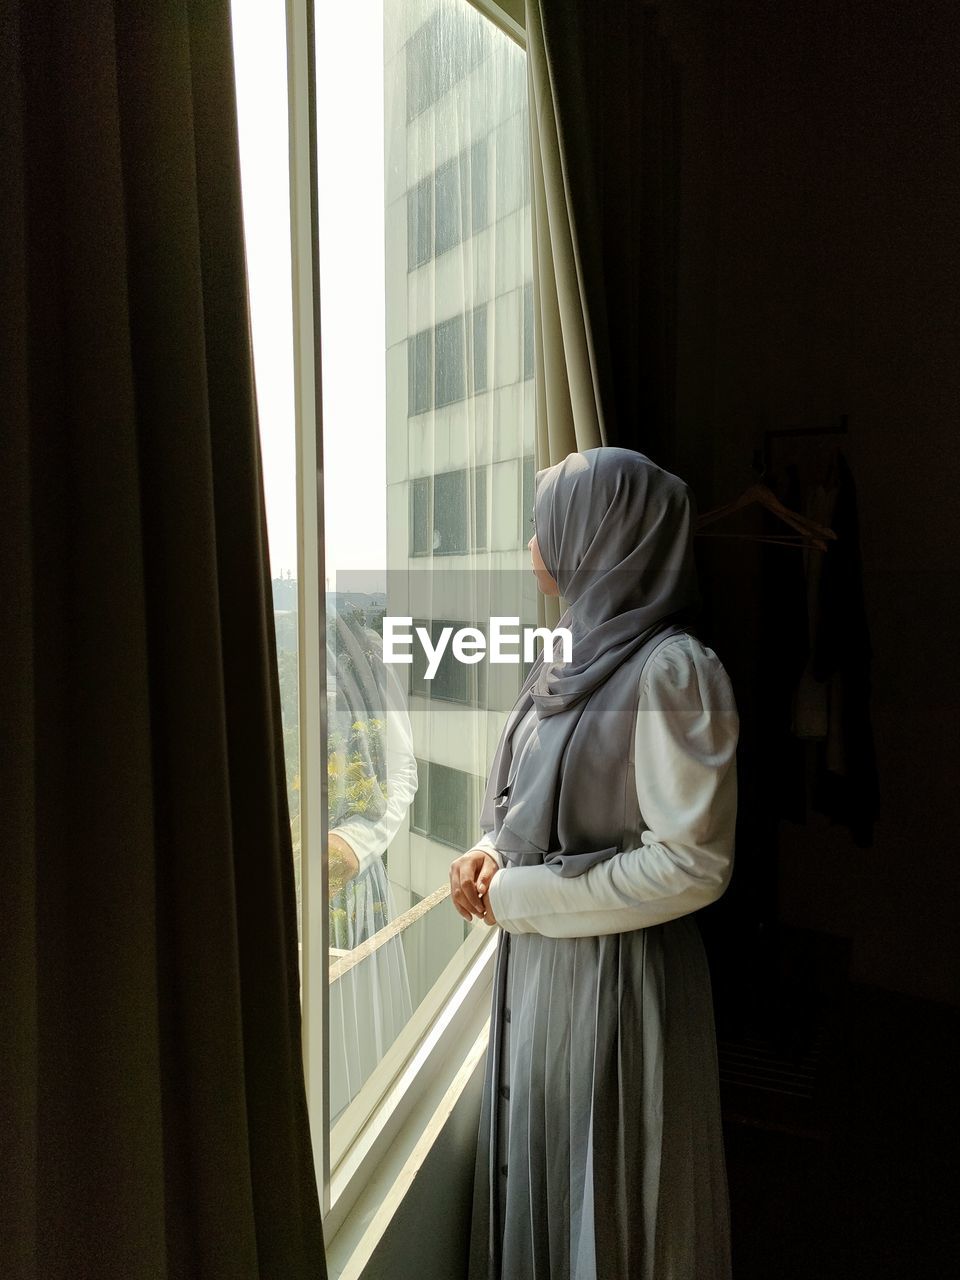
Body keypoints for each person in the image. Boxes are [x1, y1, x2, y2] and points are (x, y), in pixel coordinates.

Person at [449, 447, 739, 1280]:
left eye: (550, 521)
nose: (534, 540)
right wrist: (487, 853)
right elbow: (526, 806)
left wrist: (518, 894)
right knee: (553, 1169)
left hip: (619, 981)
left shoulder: (674, 671)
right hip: (542, 972)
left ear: (601, 536)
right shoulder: (568, 656)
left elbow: (693, 864)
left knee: (606, 1193)